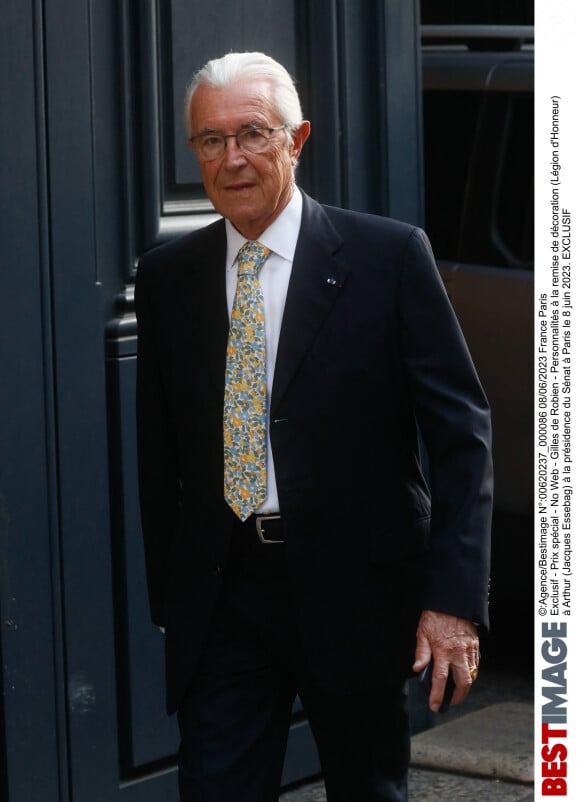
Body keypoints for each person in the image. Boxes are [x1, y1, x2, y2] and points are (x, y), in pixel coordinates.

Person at [135, 51, 492, 802]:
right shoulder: (169, 278)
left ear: (297, 140)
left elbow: (461, 433)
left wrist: (453, 598)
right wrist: (173, 597)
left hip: (357, 589)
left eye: (253, 134)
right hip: (226, 597)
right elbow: (158, 451)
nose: (231, 159)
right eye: (210, 141)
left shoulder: (387, 257)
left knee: (368, 789)